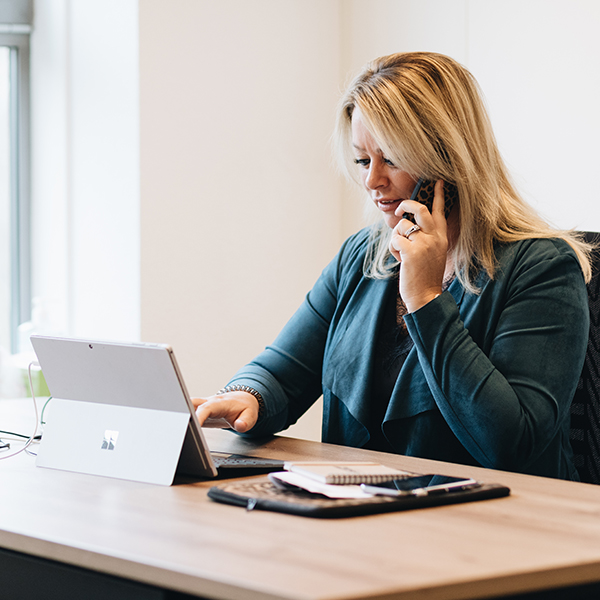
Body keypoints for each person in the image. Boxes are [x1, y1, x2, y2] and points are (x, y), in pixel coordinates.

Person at [193, 52, 592, 480]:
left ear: (449, 161)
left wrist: (425, 300)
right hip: (361, 517)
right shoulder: (363, 257)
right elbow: (282, 369)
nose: (371, 180)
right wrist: (248, 395)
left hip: (488, 529)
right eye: (364, 160)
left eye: (392, 159)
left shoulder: (542, 268)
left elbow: (510, 444)